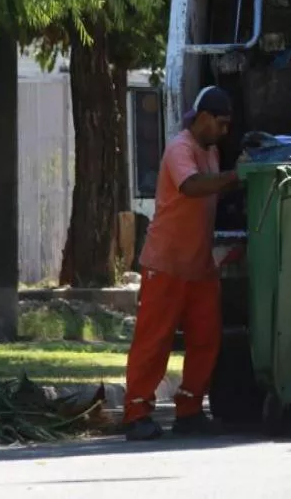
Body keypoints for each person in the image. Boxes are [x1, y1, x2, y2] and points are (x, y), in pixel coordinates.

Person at [124, 86, 240, 441]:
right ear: (203, 118)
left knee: (205, 339)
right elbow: (191, 187)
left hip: (198, 266)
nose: (223, 131)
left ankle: (189, 410)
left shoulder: (212, 152)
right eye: (220, 124)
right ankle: (136, 413)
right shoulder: (180, 149)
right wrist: (237, 176)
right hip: (167, 264)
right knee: (153, 342)